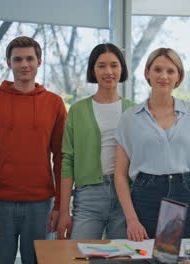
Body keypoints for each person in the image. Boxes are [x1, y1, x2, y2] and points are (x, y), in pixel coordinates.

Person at [0, 36, 66, 264]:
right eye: (18, 59)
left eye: (30, 59)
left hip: (41, 207)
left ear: (39, 62)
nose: (24, 64)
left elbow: (62, 158)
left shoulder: (54, 103)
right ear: (8, 63)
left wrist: (59, 207)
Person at [114, 48, 190, 241]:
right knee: (147, 257)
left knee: (183, 257)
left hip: (186, 195)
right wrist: (132, 219)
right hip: (146, 197)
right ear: (147, 73)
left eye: (170, 71)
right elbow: (119, 174)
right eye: (158, 69)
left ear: (179, 77)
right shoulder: (129, 118)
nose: (164, 76)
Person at [57, 43, 133, 240]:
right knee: (78, 256)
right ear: (93, 70)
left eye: (114, 65)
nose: (108, 71)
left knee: (122, 259)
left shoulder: (134, 111)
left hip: (126, 196)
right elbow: (68, 161)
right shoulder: (78, 110)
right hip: (88, 197)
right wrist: (64, 211)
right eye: (101, 66)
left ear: (122, 69)